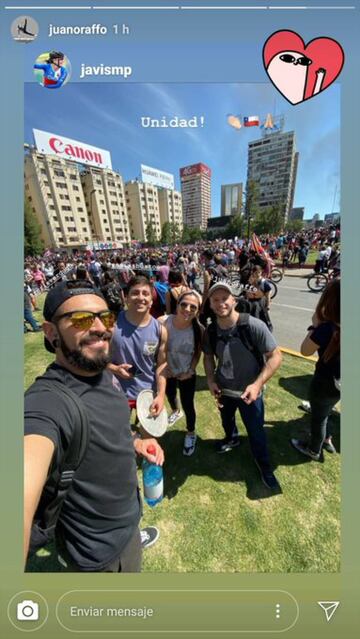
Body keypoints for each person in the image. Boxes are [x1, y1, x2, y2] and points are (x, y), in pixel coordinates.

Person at [24, 280, 164, 572]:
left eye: (106, 317)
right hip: (98, 554)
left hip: (128, 524)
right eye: (82, 319)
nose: (101, 327)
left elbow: (110, 428)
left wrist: (135, 442)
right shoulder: (48, 401)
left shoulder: (100, 374)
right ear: (51, 333)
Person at [203, 282, 282, 490]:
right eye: (216, 300)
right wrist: (210, 380)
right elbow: (209, 357)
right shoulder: (211, 331)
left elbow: (275, 357)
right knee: (226, 420)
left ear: (234, 300)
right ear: (210, 304)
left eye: (225, 298)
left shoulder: (253, 325)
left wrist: (257, 385)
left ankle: (265, 467)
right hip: (224, 390)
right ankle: (232, 439)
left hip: (250, 393)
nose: (221, 303)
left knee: (256, 431)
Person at [291, 279, 340, 460]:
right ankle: (327, 439)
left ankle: (313, 449)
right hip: (340, 381)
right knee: (327, 410)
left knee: (319, 418)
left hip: (324, 381)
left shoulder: (327, 328)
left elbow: (305, 350)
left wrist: (315, 325)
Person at [109, 275, 168, 418]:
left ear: (151, 301)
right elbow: (95, 358)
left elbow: (162, 365)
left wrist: (160, 395)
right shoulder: (111, 324)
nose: (140, 297)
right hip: (116, 393)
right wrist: (114, 369)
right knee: (118, 437)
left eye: (145, 293)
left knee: (148, 439)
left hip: (148, 394)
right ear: (127, 298)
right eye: (135, 293)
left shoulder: (160, 331)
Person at [159, 290, 204, 456]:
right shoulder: (163, 322)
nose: (187, 309)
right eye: (184, 304)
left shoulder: (199, 329)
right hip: (167, 372)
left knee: (188, 403)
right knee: (170, 395)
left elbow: (197, 353)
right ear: (177, 305)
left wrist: (191, 370)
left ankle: (191, 433)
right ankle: (176, 411)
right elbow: (157, 348)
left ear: (198, 310)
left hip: (186, 374)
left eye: (193, 307)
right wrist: (164, 367)